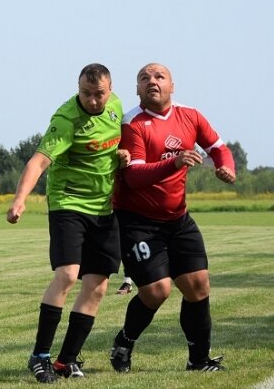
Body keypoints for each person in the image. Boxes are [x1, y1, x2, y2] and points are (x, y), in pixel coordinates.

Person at [109, 62, 236, 374]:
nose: (152, 81)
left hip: (178, 219)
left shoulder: (190, 115)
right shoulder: (133, 123)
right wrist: (176, 162)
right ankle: (124, 342)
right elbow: (135, 175)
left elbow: (218, 147)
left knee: (198, 285)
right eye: (144, 78)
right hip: (137, 221)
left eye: (159, 76)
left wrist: (226, 167)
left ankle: (198, 361)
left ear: (172, 85)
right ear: (137, 89)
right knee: (157, 291)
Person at [7, 63, 127, 384]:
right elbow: (39, 160)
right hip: (68, 204)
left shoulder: (116, 108)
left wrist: (125, 154)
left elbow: (123, 139)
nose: (92, 100)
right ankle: (40, 356)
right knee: (68, 275)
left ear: (110, 90)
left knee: (98, 285)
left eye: (98, 94)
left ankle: (66, 360)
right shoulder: (66, 119)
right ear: (78, 89)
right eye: (86, 94)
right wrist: (20, 200)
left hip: (104, 207)